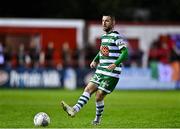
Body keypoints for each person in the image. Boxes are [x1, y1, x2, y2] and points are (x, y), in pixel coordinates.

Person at [61, 14, 128, 125]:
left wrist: (115, 64)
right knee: (88, 89)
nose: (104, 23)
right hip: (100, 70)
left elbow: (125, 52)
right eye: (102, 21)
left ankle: (97, 120)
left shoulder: (116, 37)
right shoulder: (103, 37)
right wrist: (95, 60)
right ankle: (74, 110)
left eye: (107, 21)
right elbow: (102, 51)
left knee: (98, 96)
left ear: (113, 23)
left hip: (111, 73)